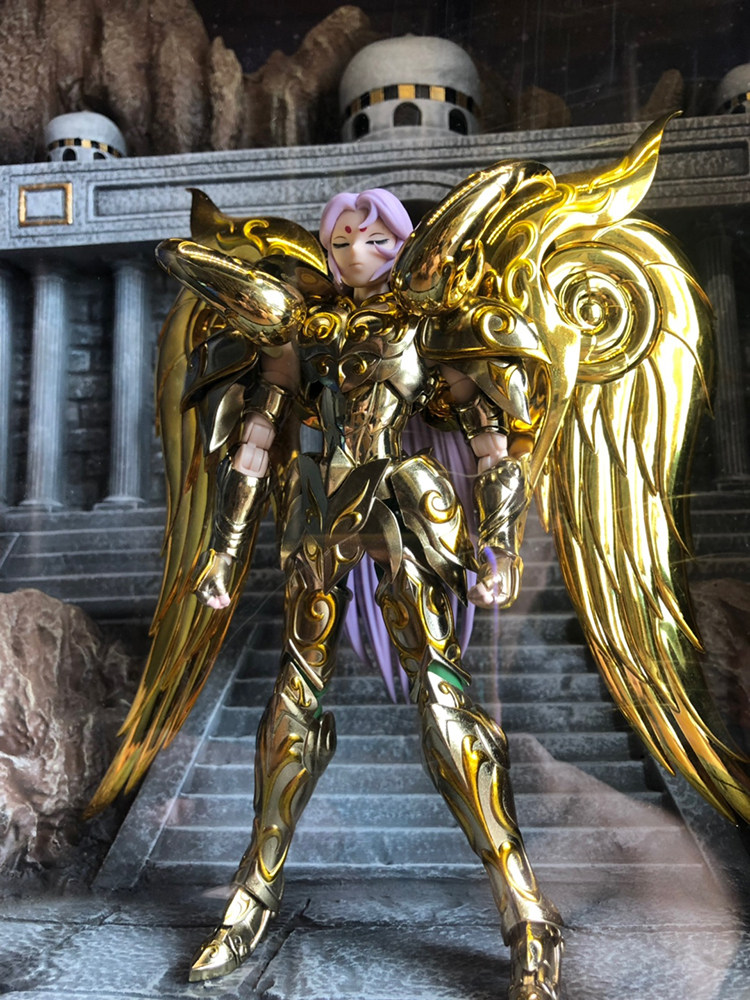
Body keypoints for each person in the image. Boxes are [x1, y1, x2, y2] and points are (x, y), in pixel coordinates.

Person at [177, 186, 564, 1000]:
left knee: (444, 702)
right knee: (293, 700)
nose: (357, 253)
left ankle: (526, 910)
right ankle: (250, 897)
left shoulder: (432, 322)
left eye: (376, 239)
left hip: (404, 511)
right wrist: (223, 549)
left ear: (405, 244)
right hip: (317, 517)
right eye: (343, 240)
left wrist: (500, 542)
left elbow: (493, 443)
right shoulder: (301, 330)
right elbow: (254, 442)